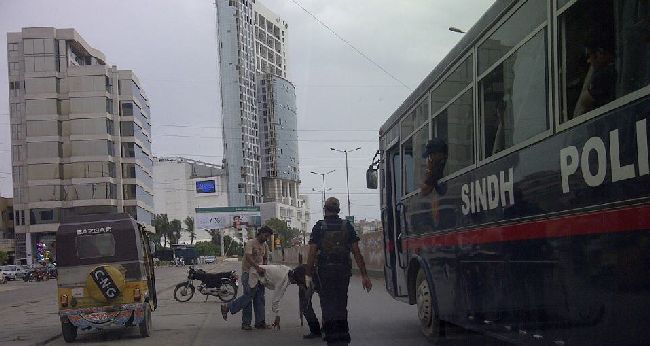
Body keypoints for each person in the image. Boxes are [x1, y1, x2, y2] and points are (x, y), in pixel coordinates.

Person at [306, 197, 372, 345]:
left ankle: (332, 338)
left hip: (325, 273)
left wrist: (308, 275)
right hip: (342, 272)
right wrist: (365, 276)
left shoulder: (319, 226)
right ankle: (343, 338)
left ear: (325, 209)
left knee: (327, 305)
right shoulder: (346, 226)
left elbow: (311, 254)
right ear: (338, 210)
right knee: (341, 304)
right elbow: (356, 252)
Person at [221, 264, 319, 334]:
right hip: (253, 274)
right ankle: (228, 306)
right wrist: (277, 316)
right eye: (298, 283)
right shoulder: (283, 281)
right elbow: (275, 300)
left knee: (259, 300)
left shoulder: (287, 270)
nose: (298, 285)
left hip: (258, 276)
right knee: (248, 297)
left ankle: (259, 323)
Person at [220, 226, 272, 330]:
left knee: (260, 298)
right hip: (248, 273)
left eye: (268, 237)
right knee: (248, 297)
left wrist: (264, 268)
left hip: (260, 274)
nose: (266, 238)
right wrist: (257, 267)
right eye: (266, 235)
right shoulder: (251, 243)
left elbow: (265, 258)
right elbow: (248, 257)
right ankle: (244, 321)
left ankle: (260, 322)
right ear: (260, 233)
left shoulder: (265, 245)